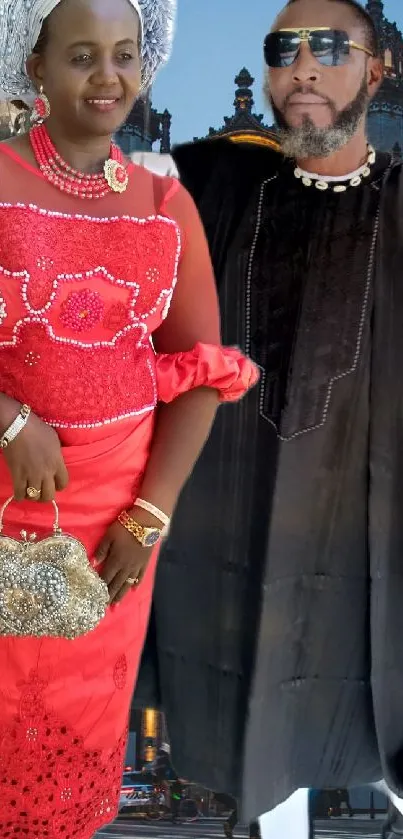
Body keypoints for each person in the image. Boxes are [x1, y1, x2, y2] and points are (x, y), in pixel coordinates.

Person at [133, 0, 403, 833]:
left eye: (330, 47)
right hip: (218, 534)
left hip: (360, 531)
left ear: (378, 69)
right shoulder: (212, 182)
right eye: (283, 49)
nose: (303, 68)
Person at [0, 0, 258, 835]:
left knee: (74, 728)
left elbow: (199, 373)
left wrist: (149, 516)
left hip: (114, 517)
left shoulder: (163, 200)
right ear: (34, 66)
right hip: (5, 493)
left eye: (124, 53)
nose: (108, 76)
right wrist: (8, 418)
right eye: (81, 56)